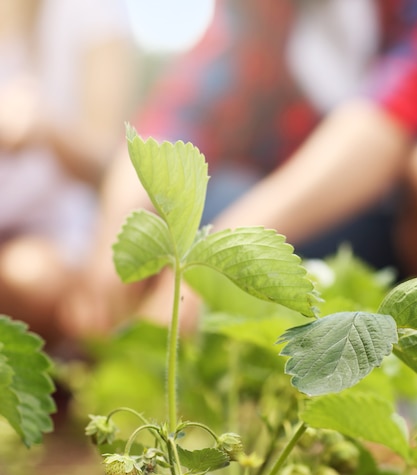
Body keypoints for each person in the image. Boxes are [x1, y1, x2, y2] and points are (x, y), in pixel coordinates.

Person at [62, 0, 417, 337]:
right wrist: (119, 230)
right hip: (278, 219)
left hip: (378, 228)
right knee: (200, 206)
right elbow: (181, 113)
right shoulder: (258, 11)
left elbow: (384, 120)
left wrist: (223, 255)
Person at [0, 0, 136, 345]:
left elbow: (110, 163)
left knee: (30, 279)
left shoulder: (93, 14)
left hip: (49, 232)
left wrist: (46, 128)